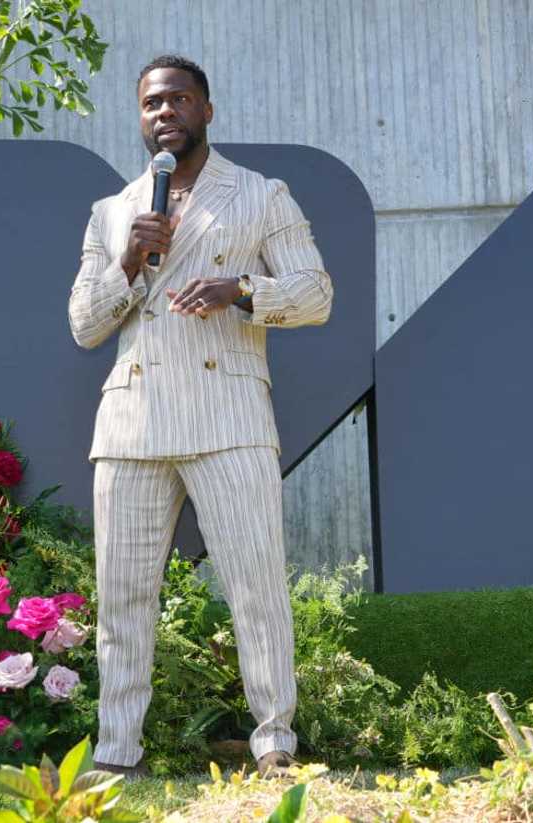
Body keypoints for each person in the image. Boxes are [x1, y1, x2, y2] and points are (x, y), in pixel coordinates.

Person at [67, 54, 333, 778]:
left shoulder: (259, 195)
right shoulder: (113, 211)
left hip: (230, 412)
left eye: (179, 99)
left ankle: (275, 741)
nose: (165, 112)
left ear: (206, 110)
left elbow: (315, 293)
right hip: (132, 421)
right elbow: (84, 326)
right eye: (153, 102)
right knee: (123, 596)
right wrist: (128, 260)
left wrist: (242, 288)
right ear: (141, 114)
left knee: (255, 584)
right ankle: (118, 750)